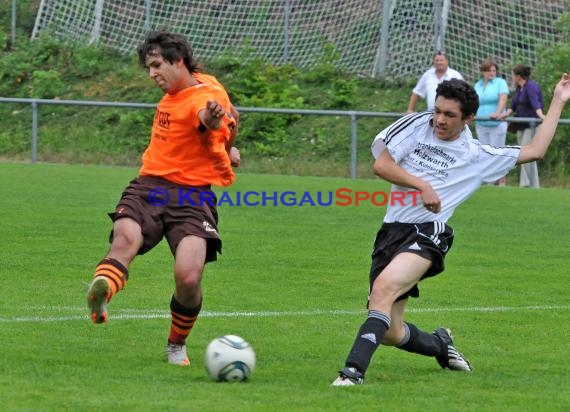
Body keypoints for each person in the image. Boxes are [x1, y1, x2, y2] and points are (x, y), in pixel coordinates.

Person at [332, 73, 570, 386]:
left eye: (449, 115)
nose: (439, 120)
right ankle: (440, 345)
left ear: (469, 117)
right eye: (438, 111)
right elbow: (382, 165)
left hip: (429, 233)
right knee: (390, 331)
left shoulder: (476, 156)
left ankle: (352, 373)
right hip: (390, 232)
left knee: (383, 289)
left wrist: (558, 100)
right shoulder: (417, 124)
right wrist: (422, 185)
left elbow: (536, 150)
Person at [86, 30, 240, 367]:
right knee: (126, 237)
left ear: (178, 60)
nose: (152, 74)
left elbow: (208, 119)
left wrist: (214, 123)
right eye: (149, 68)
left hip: (192, 197)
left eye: (157, 65)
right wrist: (226, 145)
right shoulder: (192, 87)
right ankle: (102, 292)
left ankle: (176, 345)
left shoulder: (204, 97)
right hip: (149, 185)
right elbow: (218, 129)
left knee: (188, 275)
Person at [500, 64, 546, 188]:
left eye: (513, 75)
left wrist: (541, 115)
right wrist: (503, 115)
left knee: (528, 155)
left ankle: (533, 185)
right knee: (521, 155)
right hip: (521, 126)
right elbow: (513, 106)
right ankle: (525, 184)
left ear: (518, 76)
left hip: (531, 127)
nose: (512, 77)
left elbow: (535, 103)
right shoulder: (519, 88)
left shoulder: (531, 86)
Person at [473, 59, 510, 185]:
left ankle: (502, 182)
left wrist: (498, 113)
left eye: (494, 70)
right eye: (489, 70)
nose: (492, 72)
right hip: (481, 124)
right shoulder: (477, 85)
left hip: (497, 124)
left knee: (498, 153)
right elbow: (474, 101)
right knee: (485, 154)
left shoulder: (500, 82)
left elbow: (503, 98)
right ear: (483, 72)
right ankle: (489, 181)